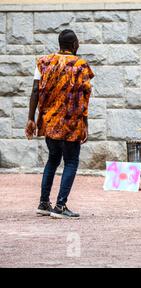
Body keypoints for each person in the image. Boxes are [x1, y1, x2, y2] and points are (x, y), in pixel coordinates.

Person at [25, 29, 94, 219]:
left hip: (49, 121)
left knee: (53, 159)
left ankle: (43, 203)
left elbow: (35, 91)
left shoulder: (43, 62)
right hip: (71, 122)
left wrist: (31, 118)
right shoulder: (80, 65)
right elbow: (83, 98)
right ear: (73, 45)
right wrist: (85, 123)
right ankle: (60, 206)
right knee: (71, 161)